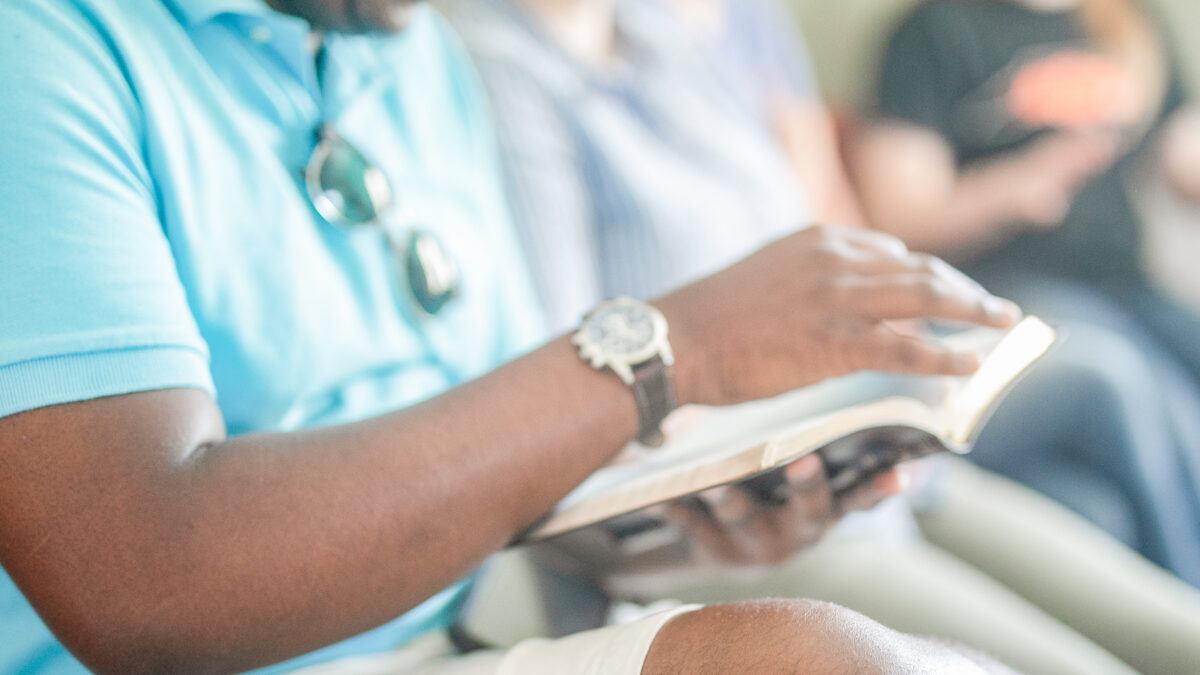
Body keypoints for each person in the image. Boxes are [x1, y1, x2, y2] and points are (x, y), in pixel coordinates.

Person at [0, 0, 1033, 673]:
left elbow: (482, 465)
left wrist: (680, 524)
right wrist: (666, 345)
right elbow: (144, 582)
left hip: (481, 615)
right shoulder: (44, 47)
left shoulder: (414, 52)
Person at [438, 0, 1200, 672]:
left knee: (1178, 635)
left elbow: (806, 227)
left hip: (853, 448)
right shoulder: (499, 64)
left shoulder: (667, 40)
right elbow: (572, 371)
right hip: (738, 504)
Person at [851, 0, 1200, 584]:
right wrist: (1020, 185)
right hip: (1005, 298)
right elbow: (900, 218)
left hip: (1127, 285)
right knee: (1154, 390)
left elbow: (1182, 154)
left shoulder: (1126, 20)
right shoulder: (933, 31)